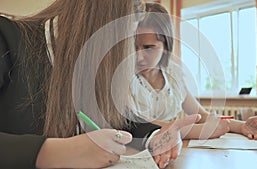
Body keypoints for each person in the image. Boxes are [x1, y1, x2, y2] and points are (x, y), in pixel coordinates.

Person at [0, 1, 201, 168]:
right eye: (124, 47)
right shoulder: (7, 38)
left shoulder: (89, 70)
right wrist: (55, 151)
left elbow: (121, 119)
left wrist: (155, 136)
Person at [130, 2, 257, 141]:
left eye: (148, 47)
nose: (138, 56)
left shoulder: (173, 74)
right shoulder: (125, 78)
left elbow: (202, 115)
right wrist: (200, 131)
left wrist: (241, 125)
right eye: (132, 47)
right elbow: (140, 125)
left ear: (166, 47)